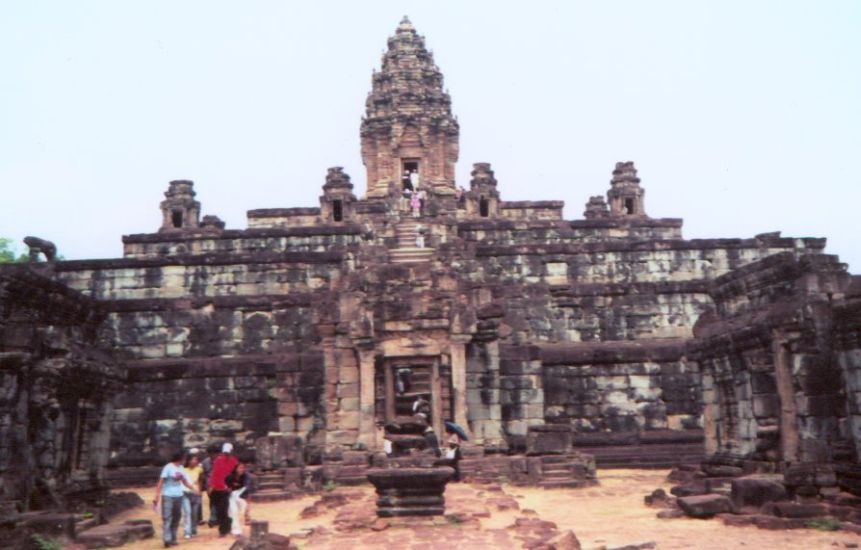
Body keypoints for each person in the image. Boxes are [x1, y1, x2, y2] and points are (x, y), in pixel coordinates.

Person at [153, 451, 199, 548]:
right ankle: (167, 539)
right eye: (184, 458)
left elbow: (185, 481)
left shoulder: (182, 469)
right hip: (168, 495)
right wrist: (157, 495)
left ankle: (173, 538)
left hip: (179, 495)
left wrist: (193, 488)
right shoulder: (168, 467)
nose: (185, 460)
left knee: (176, 517)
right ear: (180, 458)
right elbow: (161, 481)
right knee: (167, 517)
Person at [207, 442, 239, 537]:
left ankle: (224, 529)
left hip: (227, 488)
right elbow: (214, 474)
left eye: (228, 453)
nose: (226, 455)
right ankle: (225, 526)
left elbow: (236, 475)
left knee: (226, 509)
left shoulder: (234, 461)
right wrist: (211, 485)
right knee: (220, 510)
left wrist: (231, 486)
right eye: (225, 453)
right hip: (218, 488)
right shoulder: (218, 461)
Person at [226, 463, 254, 537]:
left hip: (241, 496)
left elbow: (247, 490)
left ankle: (237, 525)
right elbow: (226, 486)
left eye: (243, 468)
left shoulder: (246, 477)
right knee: (234, 512)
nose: (241, 470)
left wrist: (248, 503)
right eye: (239, 468)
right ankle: (236, 531)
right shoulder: (230, 477)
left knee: (242, 511)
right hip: (231, 496)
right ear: (235, 469)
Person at [181, 453, 204, 539]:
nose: (195, 461)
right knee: (187, 512)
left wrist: (200, 490)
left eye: (196, 460)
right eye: (193, 459)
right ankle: (187, 531)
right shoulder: (183, 469)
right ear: (188, 461)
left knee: (194, 514)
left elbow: (201, 480)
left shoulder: (199, 469)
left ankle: (193, 530)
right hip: (185, 492)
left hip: (195, 493)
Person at [201, 444, 218, 527]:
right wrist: (204, 486)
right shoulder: (205, 462)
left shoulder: (220, 461)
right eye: (210, 454)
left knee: (219, 502)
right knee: (213, 501)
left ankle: (214, 518)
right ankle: (213, 519)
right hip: (209, 485)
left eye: (214, 454)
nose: (212, 455)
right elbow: (203, 474)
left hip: (219, 483)